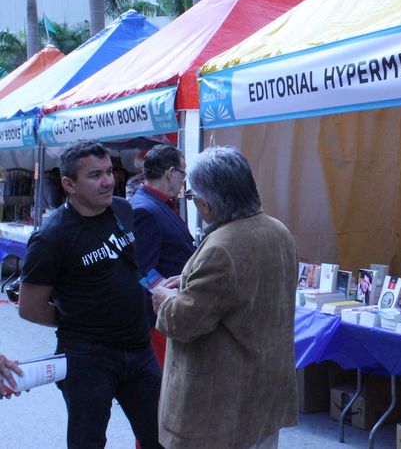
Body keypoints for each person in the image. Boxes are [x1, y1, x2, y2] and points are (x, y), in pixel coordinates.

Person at [18, 140, 162, 449]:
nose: (108, 181)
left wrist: (156, 287)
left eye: (109, 171)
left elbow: (132, 266)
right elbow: (29, 308)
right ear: (68, 184)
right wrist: (79, 318)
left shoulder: (122, 208)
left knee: (162, 437)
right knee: (88, 441)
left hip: (139, 349)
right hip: (88, 357)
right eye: (95, 175)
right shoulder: (52, 237)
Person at [153, 146, 298, 449]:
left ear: (205, 205)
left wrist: (164, 300)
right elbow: (244, 289)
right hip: (264, 392)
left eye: (192, 197)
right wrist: (192, 280)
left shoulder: (222, 246)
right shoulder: (278, 231)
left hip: (223, 407)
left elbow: (185, 322)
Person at [129, 145, 195, 367]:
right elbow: (141, 269)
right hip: (159, 319)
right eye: (183, 173)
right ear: (170, 172)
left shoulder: (157, 205)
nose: (183, 181)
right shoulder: (145, 210)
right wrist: (167, 290)